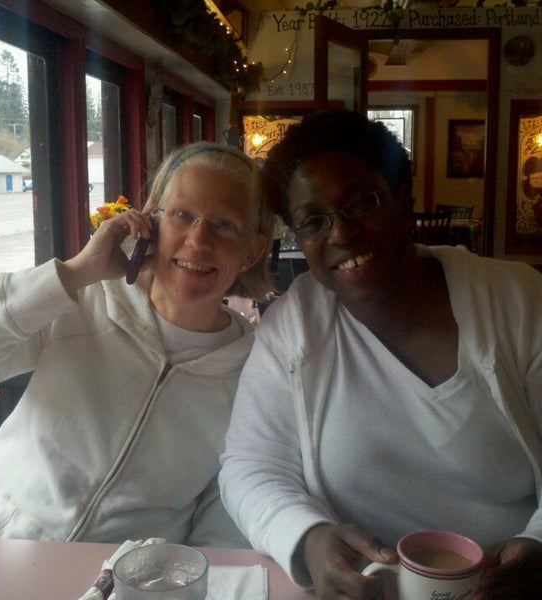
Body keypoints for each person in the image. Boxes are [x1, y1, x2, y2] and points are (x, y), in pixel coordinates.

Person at [219, 110, 542, 599]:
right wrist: (306, 538)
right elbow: (249, 465)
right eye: (313, 221)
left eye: (362, 203)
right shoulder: (294, 327)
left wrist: (538, 548)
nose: (342, 234)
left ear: (403, 200)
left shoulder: (515, 301)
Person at [0, 141, 273, 545]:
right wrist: (76, 273)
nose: (198, 240)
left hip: (121, 582)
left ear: (253, 251)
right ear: (150, 220)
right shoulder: (83, 299)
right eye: (182, 215)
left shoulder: (256, 370)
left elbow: (224, 515)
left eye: (224, 225)